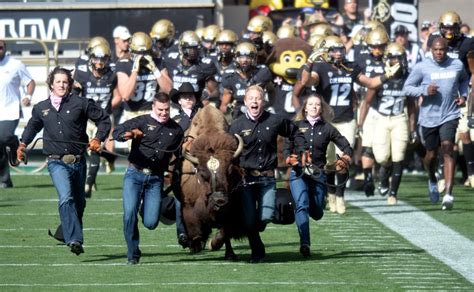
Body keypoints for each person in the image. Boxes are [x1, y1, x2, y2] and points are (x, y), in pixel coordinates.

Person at [293, 35, 400, 214]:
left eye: (340, 49)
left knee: (343, 160)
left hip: (347, 120)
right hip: (326, 121)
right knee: (328, 163)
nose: (338, 53)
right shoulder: (320, 67)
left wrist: (387, 75)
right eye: (333, 50)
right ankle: (331, 193)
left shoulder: (349, 66)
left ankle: (341, 196)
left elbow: (371, 83)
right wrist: (310, 60)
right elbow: (305, 81)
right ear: (326, 52)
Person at [17, 67, 111, 255]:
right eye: (58, 81)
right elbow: (32, 126)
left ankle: (66, 231)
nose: (61, 84)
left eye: (65, 82)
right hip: (55, 161)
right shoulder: (41, 108)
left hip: (78, 160)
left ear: (69, 84)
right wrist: (23, 144)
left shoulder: (81, 103)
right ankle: (74, 239)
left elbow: (104, 120)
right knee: (65, 197)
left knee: (79, 203)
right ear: (51, 84)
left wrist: (97, 138)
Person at [229, 85, 303, 263]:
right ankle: (257, 250)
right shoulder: (236, 125)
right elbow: (228, 150)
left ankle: (255, 230)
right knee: (249, 219)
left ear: (263, 101)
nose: (254, 101)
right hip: (246, 178)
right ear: (245, 102)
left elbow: (296, 133)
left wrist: (297, 153)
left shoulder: (275, 120)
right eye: (251, 98)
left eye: (258, 98)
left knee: (266, 216)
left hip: (268, 177)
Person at [112, 92, 183, 265]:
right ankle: (133, 254)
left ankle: (144, 205)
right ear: (153, 107)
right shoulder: (141, 121)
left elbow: (179, 155)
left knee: (151, 223)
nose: (163, 113)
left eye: (166, 110)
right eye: (160, 110)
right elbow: (117, 132)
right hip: (134, 175)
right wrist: (128, 134)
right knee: (129, 214)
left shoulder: (176, 130)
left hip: (155, 179)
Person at [404, 37, 469, 210]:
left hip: (450, 114)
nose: (439, 52)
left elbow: (464, 80)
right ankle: (432, 176)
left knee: (448, 148)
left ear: (447, 49)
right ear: (431, 50)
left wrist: (463, 96)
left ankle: (448, 194)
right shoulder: (422, 67)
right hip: (428, 118)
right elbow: (407, 88)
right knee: (431, 155)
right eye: (436, 50)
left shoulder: (456, 65)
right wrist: (424, 90)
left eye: (442, 49)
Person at [285, 94, 352, 258]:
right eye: (311, 104)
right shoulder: (295, 126)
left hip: (318, 174)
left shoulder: (328, 128)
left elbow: (346, 146)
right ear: (305, 108)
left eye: (317, 105)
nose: (314, 107)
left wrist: (345, 158)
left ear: (321, 108)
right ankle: (305, 243)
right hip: (298, 172)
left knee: (317, 212)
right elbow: (287, 148)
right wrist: (290, 158)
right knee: (302, 204)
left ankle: (319, 207)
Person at [359, 42, 416, 204]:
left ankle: (393, 193)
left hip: (399, 118)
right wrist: (360, 123)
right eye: (393, 57)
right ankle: (384, 175)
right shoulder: (381, 77)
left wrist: (413, 128)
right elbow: (367, 102)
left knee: (398, 156)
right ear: (387, 59)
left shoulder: (408, 78)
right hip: (382, 119)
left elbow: (411, 105)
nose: (396, 61)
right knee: (382, 156)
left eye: (399, 57)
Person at [427, 11, 474, 189]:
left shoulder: (467, 42)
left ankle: (471, 173)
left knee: (464, 132)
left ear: (458, 27)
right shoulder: (434, 40)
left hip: (460, 94)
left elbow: (472, 71)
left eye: (451, 27)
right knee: (445, 140)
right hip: (440, 95)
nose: (448, 31)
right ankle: (442, 173)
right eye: (445, 27)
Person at [73, 43, 121, 197]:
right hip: (87, 119)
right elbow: (74, 96)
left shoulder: (112, 76)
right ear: (90, 59)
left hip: (103, 119)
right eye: (96, 58)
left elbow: (118, 95)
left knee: (95, 149)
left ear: (108, 59)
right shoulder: (81, 75)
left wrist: (105, 109)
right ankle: (110, 157)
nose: (99, 62)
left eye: (103, 59)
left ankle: (88, 185)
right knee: (87, 150)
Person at [0, 40, 35, 188]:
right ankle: (5, 180)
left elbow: (30, 81)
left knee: (5, 136)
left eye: (0, 47)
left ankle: (16, 147)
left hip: (10, 109)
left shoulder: (15, 64)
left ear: (4, 48)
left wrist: (28, 96)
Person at [116, 32, 172, 122]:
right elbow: (126, 95)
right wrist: (134, 71)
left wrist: (155, 70)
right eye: (138, 53)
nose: (142, 56)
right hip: (131, 113)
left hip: (152, 112)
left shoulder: (158, 62)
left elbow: (169, 90)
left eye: (145, 52)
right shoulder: (123, 64)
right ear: (131, 50)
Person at [219, 42, 272, 120]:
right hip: (239, 113)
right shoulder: (230, 75)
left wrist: (269, 105)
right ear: (236, 58)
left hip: (260, 112)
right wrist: (230, 111)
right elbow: (224, 105)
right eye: (241, 57)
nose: (244, 60)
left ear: (254, 59)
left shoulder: (262, 73)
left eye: (248, 57)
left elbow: (271, 91)